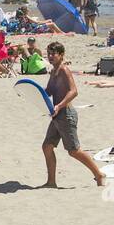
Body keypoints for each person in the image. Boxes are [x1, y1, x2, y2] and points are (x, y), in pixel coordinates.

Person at [41, 42, 104, 188]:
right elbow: (49, 90)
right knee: (47, 146)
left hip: (66, 114)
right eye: (48, 53)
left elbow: (74, 91)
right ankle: (51, 182)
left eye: (53, 54)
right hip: (56, 114)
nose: (50, 56)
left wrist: (59, 105)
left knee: (73, 151)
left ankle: (98, 174)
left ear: (61, 55)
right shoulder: (53, 71)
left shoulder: (64, 70)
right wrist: (30, 92)